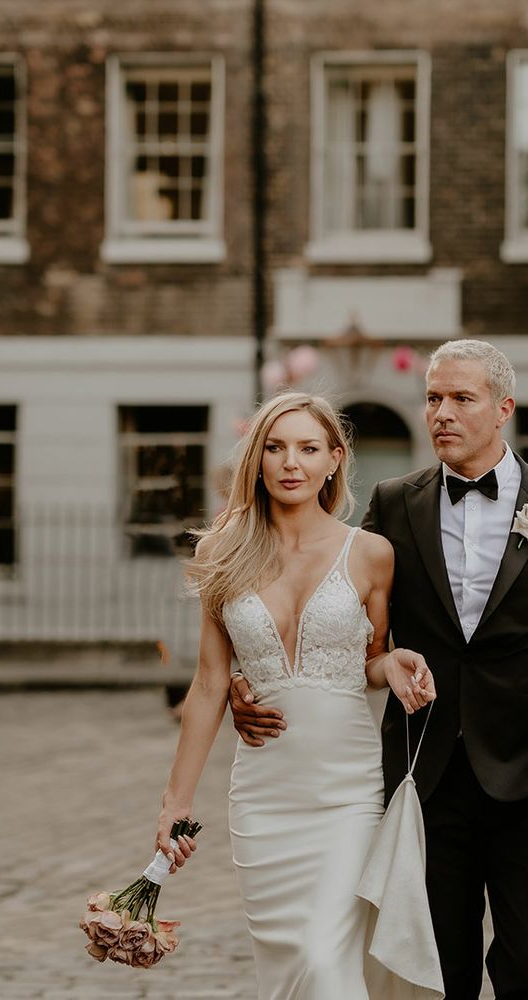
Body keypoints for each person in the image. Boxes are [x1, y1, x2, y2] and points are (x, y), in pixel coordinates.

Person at [232, 340, 528, 999]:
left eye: (460, 399)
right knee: (437, 975)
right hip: (426, 780)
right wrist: (243, 677)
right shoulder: (395, 505)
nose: (441, 413)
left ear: (502, 408)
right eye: (432, 399)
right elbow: (330, 616)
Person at [155, 391, 440, 1000]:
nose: (292, 463)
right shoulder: (220, 552)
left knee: (325, 957)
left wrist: (394, 664)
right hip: (263, 799)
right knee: (292, 973)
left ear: (334, 459)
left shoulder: (371, 554)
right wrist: (174, 802)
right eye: (277, 448)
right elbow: (209, 682)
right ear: (257, 461)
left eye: (309, 449)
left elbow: (370, 659)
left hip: (347, 792)